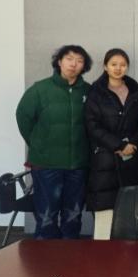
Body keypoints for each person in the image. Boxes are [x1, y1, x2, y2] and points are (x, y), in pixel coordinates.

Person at [15, 45, 92, 239]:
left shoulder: (89, 91)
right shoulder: (40, 89)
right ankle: (45, 256)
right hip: (47, 165)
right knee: (47, 216)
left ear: (84, 66)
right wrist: (38, 143)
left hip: (78, 164)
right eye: (69, 59)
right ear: (59, 61)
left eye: (79, 61)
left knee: (73, 215)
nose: (74, 64)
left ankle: (70, 254)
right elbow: (23, 117)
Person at [84, 48, 138, 240]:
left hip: (131, 159)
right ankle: (103, 254)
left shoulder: (137, 93)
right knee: (104, 213)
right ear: (105, 66)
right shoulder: (95, 93)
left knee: (129, 213)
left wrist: (132, 144)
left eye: (122, 65)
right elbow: (92, 126)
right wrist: (119, 145)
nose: (118, 68)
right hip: (104, 160)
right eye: (113, 64)